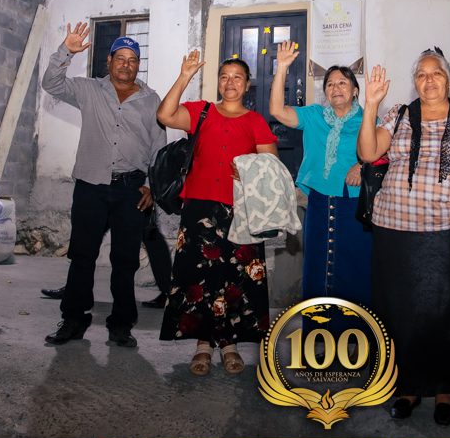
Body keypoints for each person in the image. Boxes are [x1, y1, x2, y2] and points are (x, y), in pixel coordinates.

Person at [357, 48, 450, 427]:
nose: (429, 80)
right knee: (401, 311)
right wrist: (371, 105)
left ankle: (444, 389)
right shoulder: (399, 114)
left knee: (443, 310)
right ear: (414, 82)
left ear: (448, 79)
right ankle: (407, 387)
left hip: (444, 230)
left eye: (436, 73)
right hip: (393, 228)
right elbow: (368, 153)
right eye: (421, 74)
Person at [41, 23, 167, 348]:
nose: (126, 65)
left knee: (125, 261)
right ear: (108, 61)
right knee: (82, 256)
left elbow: (158, 147)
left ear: (138, 65)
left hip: (131, 189)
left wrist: (151, 186)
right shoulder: (88, 90)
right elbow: (51, 83)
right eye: (120, 58)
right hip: (91, 186)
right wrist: (66, 51)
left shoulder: (151, 100)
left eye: (132, 60)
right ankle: (73, 320)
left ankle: (121, 325)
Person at [157, 50, 278, 375]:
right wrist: (185, 76)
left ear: (247, 85)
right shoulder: (202, 111)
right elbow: (165, 115)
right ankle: (202, 345)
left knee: (235, 278)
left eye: (237, 77)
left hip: (241, 210)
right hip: (199, 207)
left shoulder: (255, 121)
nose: (230, 82)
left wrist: (250, 169)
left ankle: (229, 345)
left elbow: (271, 167)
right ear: (218, 82)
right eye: (224, 77)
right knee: (200, 278)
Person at [269, 41, 369, 305]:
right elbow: (277, 110)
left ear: (355, 91)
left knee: (354, 265)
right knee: (317, 264)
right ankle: (319, 325)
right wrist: (282, 68)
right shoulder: (314, 115)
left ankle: (355, 326)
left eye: (343, 83)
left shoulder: (368, 120)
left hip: (354, 203)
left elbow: (387, 151)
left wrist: (363, 165)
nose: (336, 88)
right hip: (318, 201)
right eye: (330, 84)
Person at [39, 211, 172, 308]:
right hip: (110, 188)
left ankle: (169, 292)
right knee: (88, 235)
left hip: (133, 188)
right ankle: (74, 288)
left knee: (150, 234)